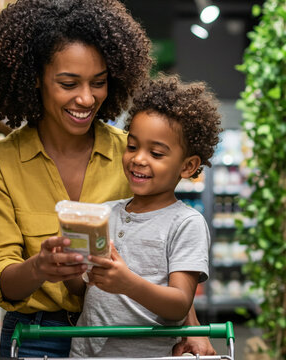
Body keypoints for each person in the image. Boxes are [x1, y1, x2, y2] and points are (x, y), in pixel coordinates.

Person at [0, 0, 215, 357]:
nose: (87, 98)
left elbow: (159, 252)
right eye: (69, 83)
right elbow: (0, 279)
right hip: (37, 336)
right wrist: (41, 266)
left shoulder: (131, 155)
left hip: (124, 336)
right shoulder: (0, 162)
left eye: (98, 82)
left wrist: (192, 327)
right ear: (35, 78)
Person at [66, 75, 222, 357]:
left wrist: (127, 283)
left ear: (188, 166)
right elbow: (86, 288)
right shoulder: (106, 213)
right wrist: (69, 269)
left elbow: (179, 303)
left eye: (157, 153)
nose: (138, 159)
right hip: (86, 352)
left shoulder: (185, 223)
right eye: (133, 146)